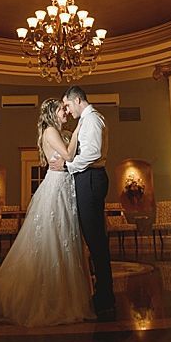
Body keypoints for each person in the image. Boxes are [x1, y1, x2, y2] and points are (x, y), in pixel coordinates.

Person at [0, 98, 95, 327]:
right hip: (57, 188)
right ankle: (48, 300)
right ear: (52, 113)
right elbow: (69, 157)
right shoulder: (50, 131)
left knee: (65, 241)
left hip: (65, 186)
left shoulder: (58, 132)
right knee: (52, 240)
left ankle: (64, 297)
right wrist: (79, 128)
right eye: (62, 110)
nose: (66, 113)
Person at [57, 85, 115, 321]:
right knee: (94, 238)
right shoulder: (91, 119)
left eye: (68, 105)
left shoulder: (92, 120)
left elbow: (92, 153)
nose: (67, 111)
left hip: (90, 178)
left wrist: (67, 166)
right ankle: (103, 292)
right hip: (89, 178)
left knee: (95, 239)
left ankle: (105, 296)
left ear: (78, 100)